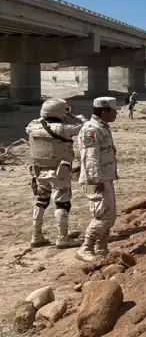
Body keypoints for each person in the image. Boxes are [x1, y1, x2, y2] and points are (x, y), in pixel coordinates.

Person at [25, 98, 84, 248]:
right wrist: (74, 115)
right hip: (59, 171)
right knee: (62, 203)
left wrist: (44, 115)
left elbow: (32, 124)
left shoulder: (32, 127)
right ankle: (62, 238)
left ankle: (36, 236)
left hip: (39, 170)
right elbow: (85, 126)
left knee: (41, 201)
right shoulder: (63, 129)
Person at [75, 98, 119, 262]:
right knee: (104, 216)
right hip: (97, 180)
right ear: (104, 112)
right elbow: (90, 158)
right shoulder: (91, 130)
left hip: (105, 178)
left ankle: (102, 249)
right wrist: (96, 179)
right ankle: (86, 247)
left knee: (110, 215)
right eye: (113, 111)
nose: (116, 114)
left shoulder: (102, 127)